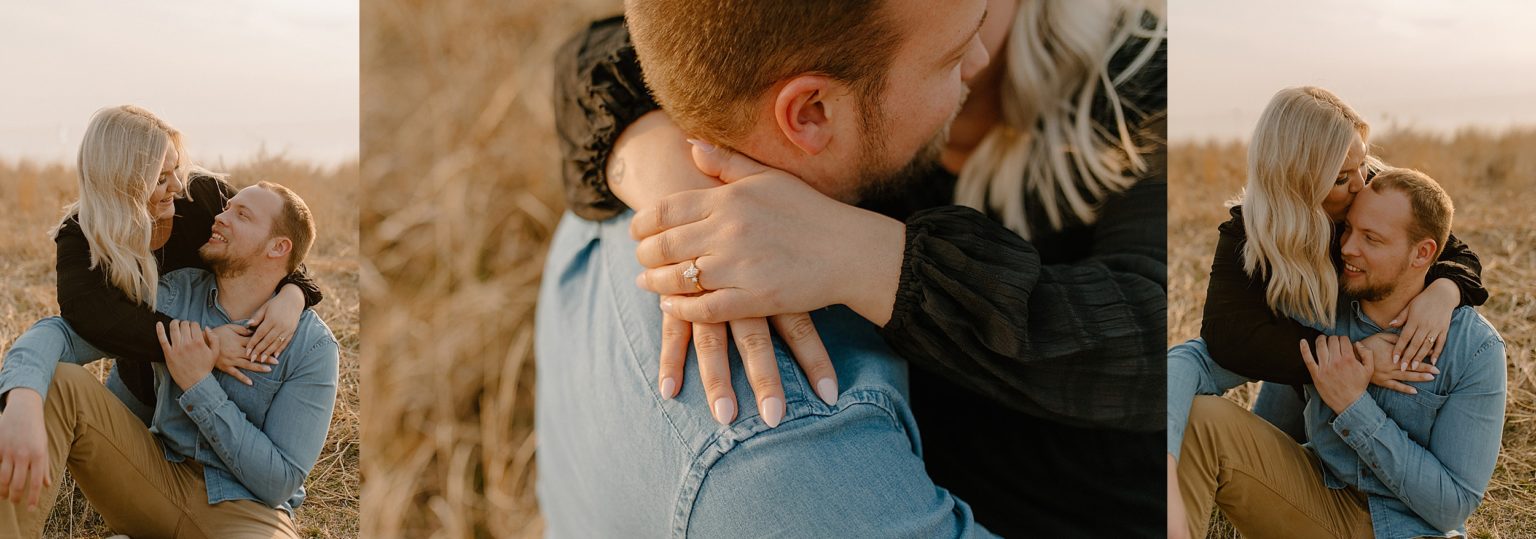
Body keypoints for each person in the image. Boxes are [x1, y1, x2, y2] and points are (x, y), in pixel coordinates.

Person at [542, 0, 1167, 536]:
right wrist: (679, 187)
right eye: (954, 54)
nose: (975, 59)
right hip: (894, 481)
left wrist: (867, 258)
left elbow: (1156, 331)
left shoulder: (1145, 79)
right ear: (810, 112)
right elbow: (610, 51)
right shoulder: (848, 35)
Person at [1163, 87, 1487, 537]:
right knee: (1199, 379)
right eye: (1340, 178)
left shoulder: (1369, 191)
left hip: (1392, 505)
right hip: (1306, 418)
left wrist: (1445, 289)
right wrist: (1349, 358)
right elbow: (1223, 339)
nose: (1361, 187)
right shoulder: (1251, 235)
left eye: (1364, 163)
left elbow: (1444, 243)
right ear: (1298, 185)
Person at [0, 182, 339, 538]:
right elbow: (61, 334)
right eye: (226, 208)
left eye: (241, 215)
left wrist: (200, 386)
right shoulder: (175, 294)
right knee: (60, 383)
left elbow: (279, 483)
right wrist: (22, 395)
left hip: (247, 510)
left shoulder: (312, 347)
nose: (220, 217)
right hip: (154, 478)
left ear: (278, 247)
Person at [50, 106, 324, 423]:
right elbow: (91, 314)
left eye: (176, 169)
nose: (177, 187)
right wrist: (205, 344)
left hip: (216, 389)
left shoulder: (202, 195)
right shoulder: (81, 233)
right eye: (161, 179)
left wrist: (294, 296)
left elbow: (275, 245)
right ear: (122, 184)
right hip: (139, 388)